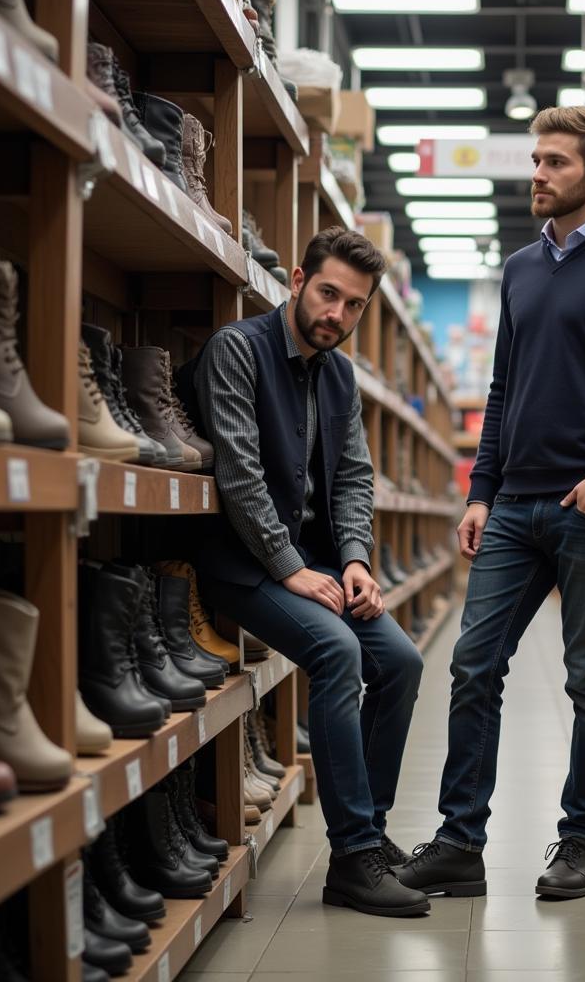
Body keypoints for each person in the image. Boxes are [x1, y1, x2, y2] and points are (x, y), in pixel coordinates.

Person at [395, 106, 585, 901]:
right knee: (471, 665)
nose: (538, 174)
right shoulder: (523, 267)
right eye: (535, 160)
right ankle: (461, 841)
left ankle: (580, 842)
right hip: (515, 510)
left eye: (555, 163)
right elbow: (503, 390)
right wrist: (480, 491)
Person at [183, 226, 430, 918]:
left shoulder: (340, 373)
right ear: (296, 281)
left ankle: (370, 837)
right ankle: (351, 857)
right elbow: (238, 475)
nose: (337, 316)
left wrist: (355, 560)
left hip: (314, 563)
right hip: (242, 563)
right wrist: (290, 568)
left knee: (403, 663)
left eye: (354, 307)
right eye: (328, 295)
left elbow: (353, 476)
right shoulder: (238, 350)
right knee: (337, 649)